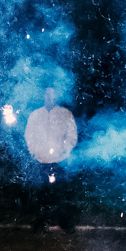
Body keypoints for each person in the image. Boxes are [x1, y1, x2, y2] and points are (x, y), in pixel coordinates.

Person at [24, 87, 78, 231]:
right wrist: (34, 152)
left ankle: (64, 223)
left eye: (52, 95)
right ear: (43, 96)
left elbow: (72, 136)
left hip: (59, 161)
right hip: (41, 160)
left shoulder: (65, 114)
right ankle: (41, 223)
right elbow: (29, 136)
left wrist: (64, 152)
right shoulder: (35, 115)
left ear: (56, 97)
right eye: (47, 95)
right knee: (41, 193)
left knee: (60, 193)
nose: (49, 98)